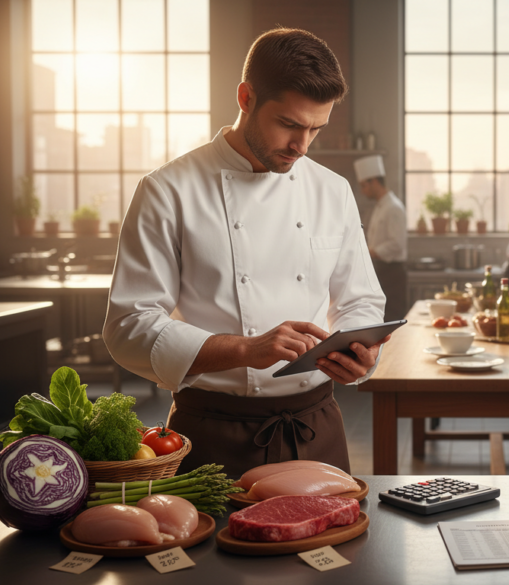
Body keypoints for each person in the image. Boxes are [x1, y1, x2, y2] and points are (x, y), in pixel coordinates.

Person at [103, 28, 387, 476]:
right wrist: (242, 350)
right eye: (290, 124)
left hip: (317, 428)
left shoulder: (333, 190)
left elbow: (360, 300)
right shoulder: (167, 190)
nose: (302, 145)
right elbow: (128, 328)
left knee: (334, 548)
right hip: (212, 433)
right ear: (246, 97)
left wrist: (357, 351)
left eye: (316, 128)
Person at [355, 155, 408, 322]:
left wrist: (370, 251)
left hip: (392, 272)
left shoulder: (393, 208)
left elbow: (397, 244)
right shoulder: (381, 206)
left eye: (364, 186)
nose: (363, 191)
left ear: (374, 182)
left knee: (392, 318)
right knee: (381, 318)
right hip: (381, 270)